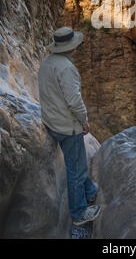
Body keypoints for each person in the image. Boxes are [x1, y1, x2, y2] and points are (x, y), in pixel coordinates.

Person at [38, 26, 101, 226]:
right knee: (76, 169)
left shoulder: (47, 61)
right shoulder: (66, 68)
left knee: (78, 163)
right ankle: (79, 213)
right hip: (66, 126)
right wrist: (84, 120)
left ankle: (90, 191)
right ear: (70, 47)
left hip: (52, 120)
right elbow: (74, 101)